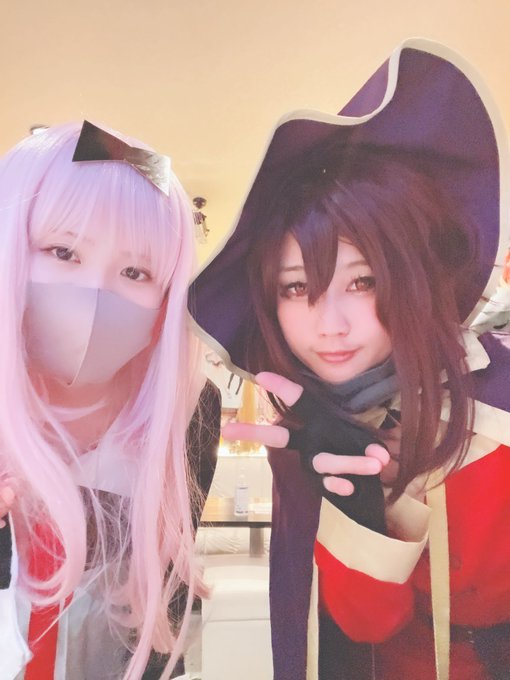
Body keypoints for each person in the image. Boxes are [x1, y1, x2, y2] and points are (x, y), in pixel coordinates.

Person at [188, 39, 510, 680]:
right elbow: (359, 629)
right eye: (296, 289)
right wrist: (353, 506)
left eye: (362, 282)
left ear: (411, 276)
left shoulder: (498, 397)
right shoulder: (303, 429)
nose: (329, 325)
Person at [0, 121, 220, 680]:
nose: (96, 293)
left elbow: (165, 597)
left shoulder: (187, 408)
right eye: (63, 250)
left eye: (135, 271)